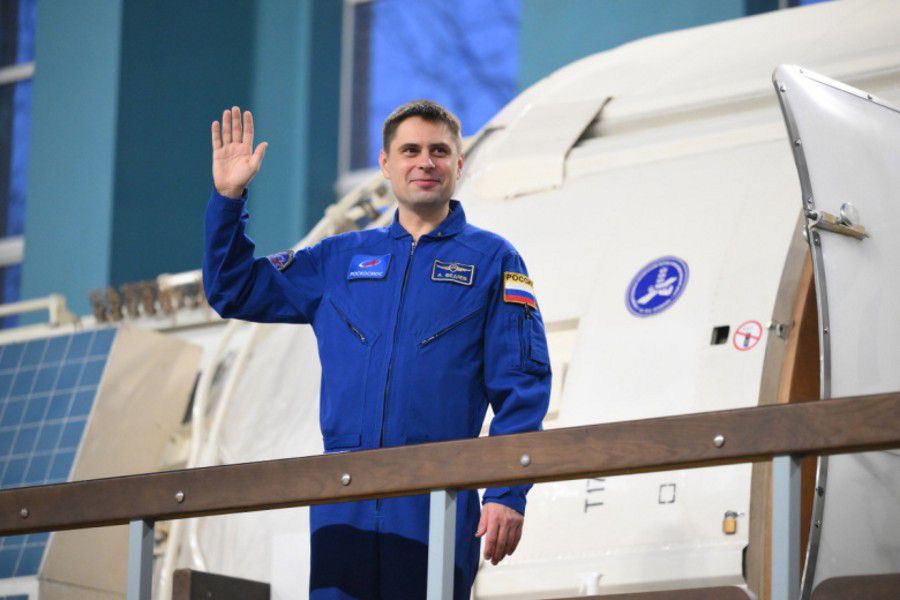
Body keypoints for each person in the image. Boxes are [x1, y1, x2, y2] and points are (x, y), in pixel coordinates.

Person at [203, 100, 551, 599]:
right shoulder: (337, 259)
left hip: (439, 492)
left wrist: (508, 491)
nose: (425, 162)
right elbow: (232, 289)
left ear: (459, 164)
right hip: (342, 495)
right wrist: (228, 199)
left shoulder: (493, 260)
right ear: (385, 164)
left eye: (439, 151)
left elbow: (522, 384)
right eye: (410, 150)